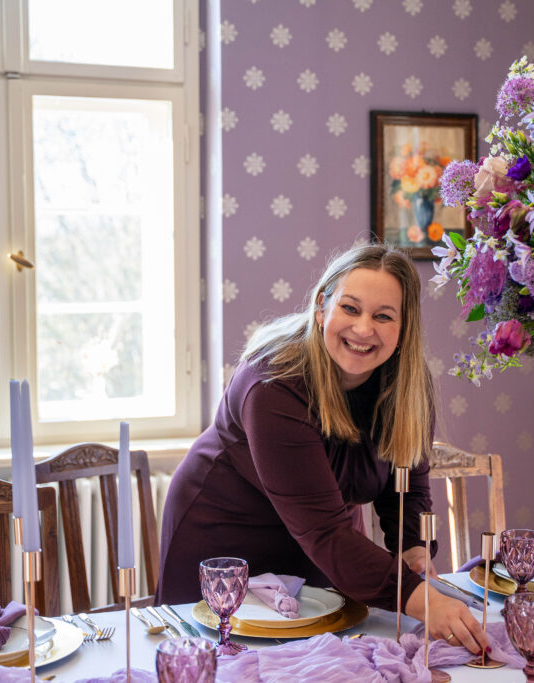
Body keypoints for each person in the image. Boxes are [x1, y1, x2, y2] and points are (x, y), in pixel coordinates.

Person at [156, 243, 489, 653]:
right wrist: (422, 599)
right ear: (321, 308)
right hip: (227, 544)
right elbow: (326, 531)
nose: (364, 329)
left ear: (403, 330)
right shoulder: (274, 384)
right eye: (350, 308)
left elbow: (408, 487)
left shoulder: (408, 388)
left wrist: (413, 547)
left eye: (383, 316)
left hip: (323, 545)